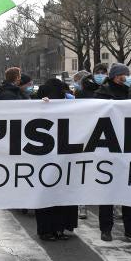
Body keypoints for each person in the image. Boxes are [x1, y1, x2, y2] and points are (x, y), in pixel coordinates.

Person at [93, 64, 131, 241]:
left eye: (128, 74)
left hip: (128, 146)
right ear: (116, 76)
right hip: (108, 147)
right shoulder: (102, 93)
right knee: (108, 190)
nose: (127, 77)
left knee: (129, 189)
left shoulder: (129, 93)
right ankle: (106, 228)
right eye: (124, 74)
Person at [35, 79, 79, 241]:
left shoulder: (69, 100)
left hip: (60, 154)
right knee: (54, 193)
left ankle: (57, 228)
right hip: (52, 154)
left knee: (57, 193)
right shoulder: (39, 103)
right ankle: (52, 229)